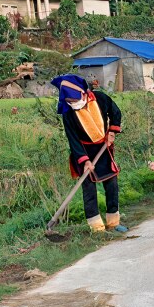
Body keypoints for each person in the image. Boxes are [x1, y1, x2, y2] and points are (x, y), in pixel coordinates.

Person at [52, 73, 127, 233]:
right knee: (89, 190)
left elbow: (115, 112)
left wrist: (112, 131)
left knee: (112, 185)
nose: (73, 103)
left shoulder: (100, 98)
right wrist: (84, 160)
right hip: (83, 152)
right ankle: (97, 227)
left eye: (74, 99)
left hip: (103, 149)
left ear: (83, 93)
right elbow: (73, 139)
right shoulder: (68, 113)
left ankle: (114, 222)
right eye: (69, 101)